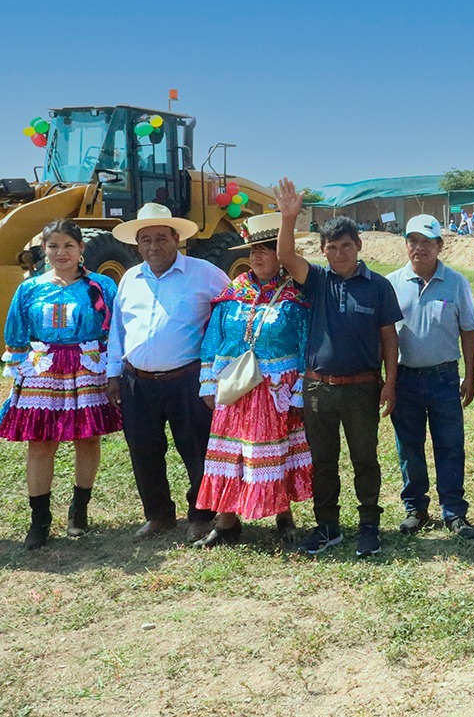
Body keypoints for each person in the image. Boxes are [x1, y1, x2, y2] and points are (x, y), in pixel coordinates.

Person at [276, 179, 403, 557]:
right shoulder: (316, 281)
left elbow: (389, 338)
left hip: (363, 387)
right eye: (331, 247)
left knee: (365, 459)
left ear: (359, 246)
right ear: (323, 251)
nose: (339, 253)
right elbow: (285, 256)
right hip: (318, 389)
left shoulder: (378, 286)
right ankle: (327, 527)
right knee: (323, 461)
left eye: (346, 245)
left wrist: (390, 382)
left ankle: (369, 526)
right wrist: (288, 219)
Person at [105, 204, 230, 542]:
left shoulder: (205, 273)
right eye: (145, 240)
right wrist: (114, 373)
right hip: (137, 382)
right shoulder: (130, 279)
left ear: (177, 239)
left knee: (196, 450)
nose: (153, 246)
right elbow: (118, 330)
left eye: (161, 238)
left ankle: (201, 516)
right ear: (137, 245)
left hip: (187, 379)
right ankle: (158, 515)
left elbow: (233, 310)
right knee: (143, 450)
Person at [193, 214, 312, 547]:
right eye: (253, 250)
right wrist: (208, 381)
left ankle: (283, 516)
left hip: (276, 390)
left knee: (277, 453)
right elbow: (214, 336)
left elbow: (305, 343)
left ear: (283, 252)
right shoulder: (234, 293)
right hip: (234, 388)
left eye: (267, 249)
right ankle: (227, 520)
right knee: (231, 454)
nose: (258, 256)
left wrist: (299, 387)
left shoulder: (296, 298)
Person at [1, 220, 120, 549]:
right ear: (44, 250)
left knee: (88, 439)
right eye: (54, 246)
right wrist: (20, 371)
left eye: (69, 245)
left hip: (87, 369)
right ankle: (39, 520)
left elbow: (116, 331)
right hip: (44, 371)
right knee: (40, 443)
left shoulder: (102, 286)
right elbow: (15, 334)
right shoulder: (30, 288)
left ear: (81, 248)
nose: (61, 252)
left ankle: (78, 511)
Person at [385, 214, 474, 540]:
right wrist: (388, 382)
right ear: (406, 245)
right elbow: (384, 336)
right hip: (404, 379)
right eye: (413, 241)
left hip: (443, 378)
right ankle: (416, 509)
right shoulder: (392, 283)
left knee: (450, 446)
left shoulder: (456, 283)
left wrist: (469, 375)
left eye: (427, 242)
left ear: (440, 246)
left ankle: (454, 511)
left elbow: (469, 330)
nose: (419, 248)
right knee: (408, 447)